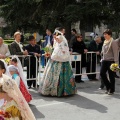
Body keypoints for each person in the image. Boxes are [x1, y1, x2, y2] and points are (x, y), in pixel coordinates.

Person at [39, 27, 76, 96]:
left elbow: (59, 47)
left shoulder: (59, 37)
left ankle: (58, 90)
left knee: (56, 73)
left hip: (59, 58)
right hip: (58, 57)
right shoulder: (60, 37)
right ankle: (59, 90)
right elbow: (56, 46)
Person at [100, 29, 119, 95]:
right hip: (104, 60)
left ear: (109, 35)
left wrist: (116, 63)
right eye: (104, 34)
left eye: (105, 34)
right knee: (102, 73)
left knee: (111, 76)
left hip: (111, 61)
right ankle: (108, 86)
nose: (104, 35)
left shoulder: (113, 42)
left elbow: (115, 53)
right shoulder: (105, 41)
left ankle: (111, 89)